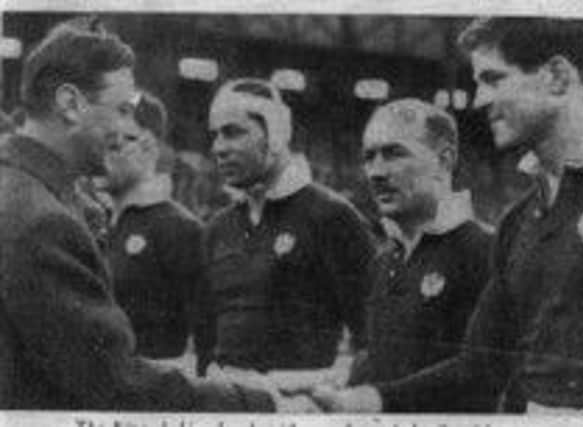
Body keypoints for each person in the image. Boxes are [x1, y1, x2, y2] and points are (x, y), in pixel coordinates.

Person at [312, 17, 583, 413]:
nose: (478, 100)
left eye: (493, 79)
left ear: (558, 77)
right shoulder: (518, 221)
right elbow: (480, 367)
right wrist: (361, 400)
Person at [0, 20, 275, 411]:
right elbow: (113, 383)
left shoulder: (22, 191)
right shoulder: (43, 221)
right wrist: (255, 404)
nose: (126, 126)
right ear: (70, 104)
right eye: (122, 109)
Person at [194, 78, 374, 380]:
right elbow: (205, 342)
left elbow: (372, 335)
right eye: (215, 136)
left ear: (275, 135)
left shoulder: (332, 216)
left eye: (233, 133)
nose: (218, 148)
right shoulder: (216, 229)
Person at [340, 98, 496, 412]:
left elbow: (482, 371)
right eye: (369, 157)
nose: (376, 172)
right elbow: (377, 359)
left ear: (444, 160)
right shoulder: (384, 260)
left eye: (394, 153)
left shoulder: (486, 250)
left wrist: (376, 400)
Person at [101, 91, 201, 366]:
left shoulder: (180, 229)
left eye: (114, 145)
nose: (101, 158)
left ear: (149, 147)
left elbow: (205, 340)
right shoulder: (93, 222)